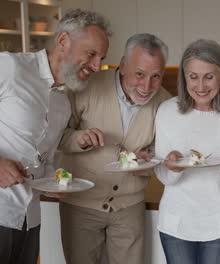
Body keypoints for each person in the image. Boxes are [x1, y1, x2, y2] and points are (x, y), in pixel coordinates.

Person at [0, 9, 110, 264]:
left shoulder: (63, 103)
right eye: (91, 54)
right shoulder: (9, 68)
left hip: (29, 220)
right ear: (63, 42)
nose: (96, 66)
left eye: (101, 58)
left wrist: (56, 184)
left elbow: (45, 160)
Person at [57, 33, 172, 264]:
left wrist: (149, 160)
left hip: (129, 207)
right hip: (81, 204)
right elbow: (56, 137)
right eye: (139, 74)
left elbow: (164, 153)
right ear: (122, 65)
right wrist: (79, 139)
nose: (147, 86)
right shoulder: (84, 86)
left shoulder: (166, 104)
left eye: (155, 76)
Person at [154, 39, 220, 264]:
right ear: (184, 76)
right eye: (193, 76)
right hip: (176, 220)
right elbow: (163, 176)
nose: (200, 86)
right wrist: (172, 167)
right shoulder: (167, 111)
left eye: (209, 76)